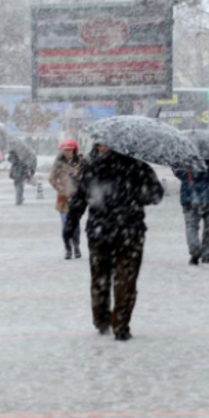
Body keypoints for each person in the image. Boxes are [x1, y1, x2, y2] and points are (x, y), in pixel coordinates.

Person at [65, 145, 164, 341]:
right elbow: (156, 195)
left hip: (99, 232)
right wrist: (136, 194)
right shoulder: (139, 167)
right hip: (130, 232)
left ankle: (101, 319)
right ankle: (121, 325)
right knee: (126, 280)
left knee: (100, 278)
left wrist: (70, 224)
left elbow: (80, 198)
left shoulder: (94, 168)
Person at [49, 139, 86, 260]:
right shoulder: (58, 162)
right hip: (63, 198)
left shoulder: (81, 162)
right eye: (65, 150)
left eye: (70, 150)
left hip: (77, 198)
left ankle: (76, 246)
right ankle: (68, 248)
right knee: (66, 224)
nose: (67, 152)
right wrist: (61, 188)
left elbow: (88, 176)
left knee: (76, 225)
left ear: (74, 150)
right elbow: (51, 178)